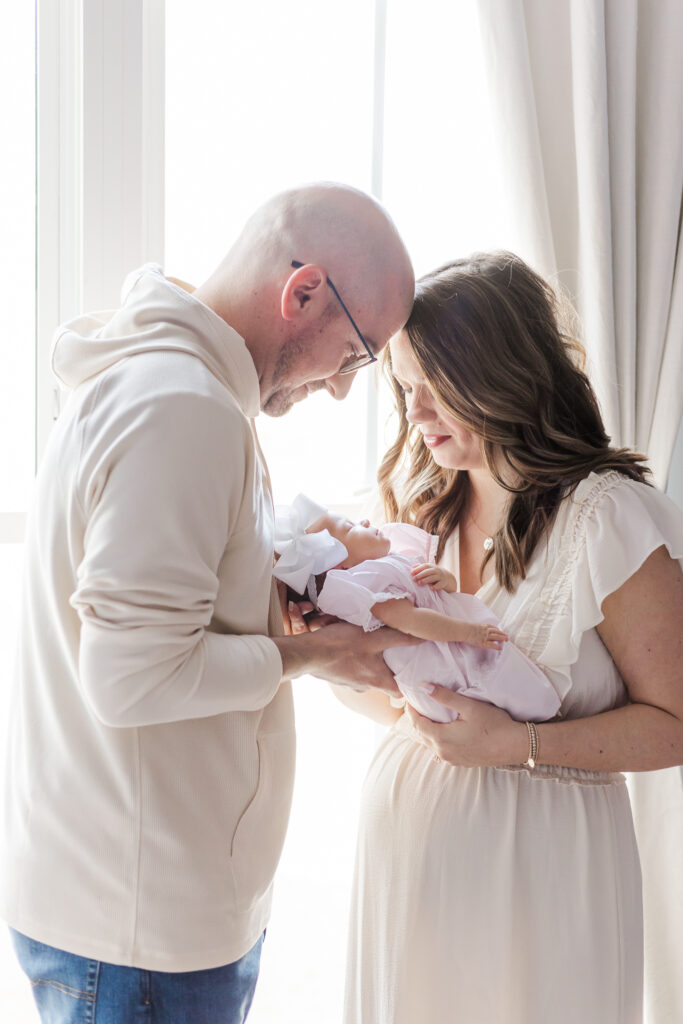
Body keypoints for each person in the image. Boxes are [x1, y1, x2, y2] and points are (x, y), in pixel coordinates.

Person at [0, 182, 415, 1024]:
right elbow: (130, 677)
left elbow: (154, 597)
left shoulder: (162, 382)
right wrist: (317, 655)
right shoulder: (184, 412)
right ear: (302, 293)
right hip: (140, 932)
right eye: (357, 354)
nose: (340, 389)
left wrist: (277, 580)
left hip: (125, 905)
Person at [324, 252, 683, 1024]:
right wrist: (335, 655)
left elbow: (675, 724)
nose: (414, 414)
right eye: (404, 388)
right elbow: (412, 704)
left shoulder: (608, 516)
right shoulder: (419, 513)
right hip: (410, 872)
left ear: (500, 372)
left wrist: (514, 746)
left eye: (434, 388)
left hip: (546, 875)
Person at [272, 497, 560, 723]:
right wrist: (470, 633)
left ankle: (537, 721)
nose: (365, 519)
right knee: (505, 687)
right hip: (440, 662)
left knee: (517, 687)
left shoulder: (390, 562)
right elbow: (412, 621)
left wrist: (445, 580)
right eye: (351, 527)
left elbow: (441, 593)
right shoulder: (370, 583)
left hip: (449, 644)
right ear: (340, 567)